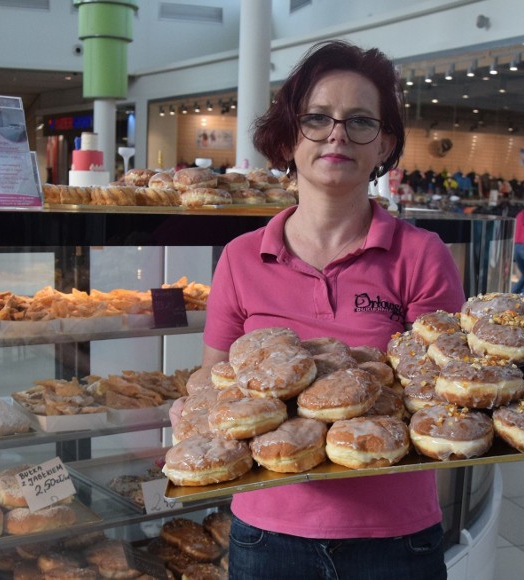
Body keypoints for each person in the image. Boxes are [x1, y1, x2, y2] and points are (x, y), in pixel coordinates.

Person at [176, 40, 465, 578]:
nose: (337, 134)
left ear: (385, 144)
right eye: (317, 118)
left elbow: (442, 394)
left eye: (360, 121)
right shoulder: (241, 258)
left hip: (395, 536)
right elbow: (214, 379)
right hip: (268, 533)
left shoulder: (422, 256)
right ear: (287, 138)